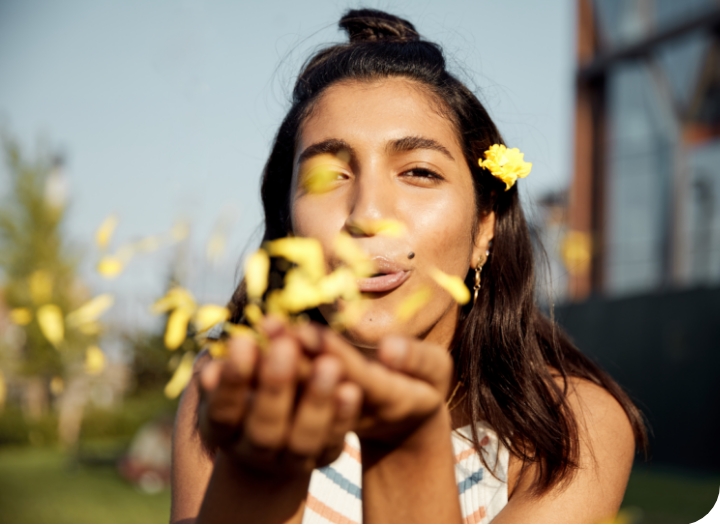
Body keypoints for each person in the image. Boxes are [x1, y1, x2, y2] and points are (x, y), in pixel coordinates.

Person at [170, 9, 647, 524]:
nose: (368, 214)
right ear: (289, 223)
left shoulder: (570, 429)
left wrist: (407, 451)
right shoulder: (229, 387)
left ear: (484, 225)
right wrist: (256, 479)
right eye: (328, 177)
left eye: (419, 172)